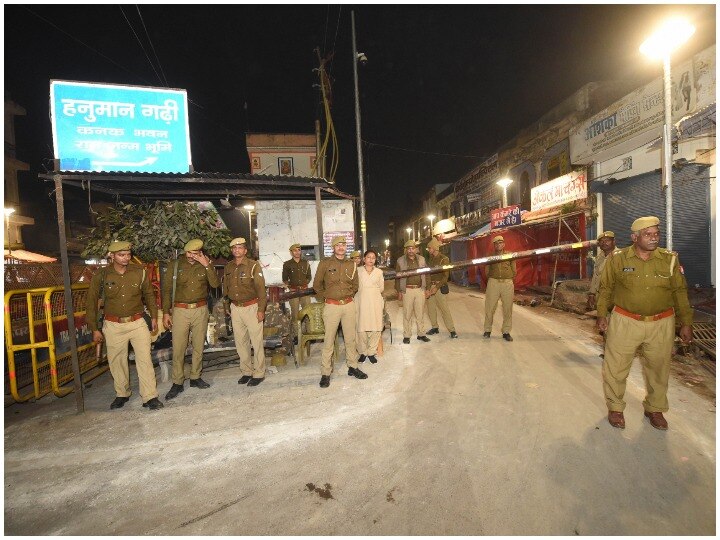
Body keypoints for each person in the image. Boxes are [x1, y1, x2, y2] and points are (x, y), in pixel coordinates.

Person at [597, 216, 693, 431]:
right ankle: (615, 408)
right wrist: (601, 314)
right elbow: (606, 289)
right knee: (616, 367)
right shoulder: (617, 259)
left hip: (662, 323)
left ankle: (655, 409)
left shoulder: (669, 259)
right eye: (648, 234)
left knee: (659, 369)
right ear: (634, 237)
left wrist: (686, 322)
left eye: (656, 234)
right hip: (625, 321)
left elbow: (679, 292)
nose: (654, 238)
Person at [86, 240, 163, 410]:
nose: (126, 258)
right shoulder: (102, 275)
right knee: (117, 361)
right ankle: (122, 393)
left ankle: (150, 396)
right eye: (121, 255)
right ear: (112, 256)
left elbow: (149, 294)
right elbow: (91, 303)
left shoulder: (139, 272)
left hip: (137, 322)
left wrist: (154, 316)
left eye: (128, 254)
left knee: (145, 360)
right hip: (113, 325)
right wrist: (94, 328)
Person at [161, 239, 220, 400]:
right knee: (179, 347)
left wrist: (206, 264)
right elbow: (166, 291)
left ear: (200, 252)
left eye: (196, 253)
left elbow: (215, 285)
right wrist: (166, 312)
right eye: (189, 253)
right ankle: (177, 382)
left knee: (198, 345)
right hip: (180, 310)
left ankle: (195, 377)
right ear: (184, 252)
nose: (192, 256)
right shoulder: (175, 265)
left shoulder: (204, 263)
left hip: (200, 310)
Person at [313, 236, 367, 388]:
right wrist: (328, 297)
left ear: (346, 246)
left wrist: (347, 296)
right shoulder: (325, 263)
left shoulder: (352, 264)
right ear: (333, 247)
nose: (341, 247)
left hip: (349, 305)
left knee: (350, 339)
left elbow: (355, 285)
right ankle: (325, 373)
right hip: (331, 306)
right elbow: (317, 285)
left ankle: (353, 366)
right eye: (338, 245)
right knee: (329, 340)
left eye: (343, 244)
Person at [223, 237, 267, 387]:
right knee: (240, 342)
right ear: (232, 250)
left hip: (252, 307)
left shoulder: (253, 266)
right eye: (234, 248)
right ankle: (246, 371)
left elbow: (262, 290)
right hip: (236, 308)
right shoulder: (228, 267)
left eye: (240, 247)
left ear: (245, 250)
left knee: (256, 341)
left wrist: (261, 310)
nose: (237, 250)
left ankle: (259, 373)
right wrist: (227, 306)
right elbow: (225, 288)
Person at [395, 239, 430, 344]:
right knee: (407, 314)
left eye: (413, 248)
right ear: (406, 250)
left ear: (416, 249)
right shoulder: (400, 261)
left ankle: (421, 334)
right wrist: (399, 291)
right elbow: (397, 277)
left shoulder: (422, 260)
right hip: (407, 291)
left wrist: (427, 288)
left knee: (420, 314)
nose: (411, 250)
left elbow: (427, 274)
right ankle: (407, 335)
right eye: (408, 248)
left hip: (420, 290)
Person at [483, 235, 516, 341]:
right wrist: (493, 278)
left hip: (507, 283)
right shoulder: (490, 256)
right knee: (490, 308)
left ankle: (506, 332)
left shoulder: (509, 255)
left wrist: (508, 278)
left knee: (507, 308)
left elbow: (514, 270)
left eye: (500, 243)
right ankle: (487, 330)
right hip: (493, 282)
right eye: (496, 243)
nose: (498, 245)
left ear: (504, 244)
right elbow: (487, 271)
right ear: (494, 245)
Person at [355, 249, 385, 364]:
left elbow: (381, 288)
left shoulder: (379, 272)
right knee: (361, 327)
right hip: (361, 301)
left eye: (373, 257)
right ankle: (362, 352)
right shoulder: (357, 271)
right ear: (364, 259)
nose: (371, 259)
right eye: (368, 257)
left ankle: (372, 352)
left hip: (375, 302)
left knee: (376, 327)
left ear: (375, 260)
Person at [425, 238, 458, 338]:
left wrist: (437, 287)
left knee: (444, 310)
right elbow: (428, 275)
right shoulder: (430, 259)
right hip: (431, 286)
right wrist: (428, 288)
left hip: (440, 286)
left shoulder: (444, 259)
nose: (428, 250)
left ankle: (452, 330)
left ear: (434, 248)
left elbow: (445, 276)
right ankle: (435, 327)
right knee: (431, 309)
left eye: (429, 248)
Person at [282, 243, 312, 342]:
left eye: (299, 250)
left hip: (304, 291)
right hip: (293, 291)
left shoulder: (306, 263)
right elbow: (285, 279)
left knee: (308, 312)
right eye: (295, 250)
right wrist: (291, 287)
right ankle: (296, 336)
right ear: (291, 252)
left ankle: (309, 333)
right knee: (295, 314)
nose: (297, 252)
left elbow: (309, 277)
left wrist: (304, 284)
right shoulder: (287, 264)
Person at [587, 231, 616, 311]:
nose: (604, 243)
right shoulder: (599, 257)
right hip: (599, 297)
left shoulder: (619, 257)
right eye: (602, 241)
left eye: (607, 241)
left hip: (613, 299)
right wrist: (592, 294)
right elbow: (595, 276)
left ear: (614, 242)